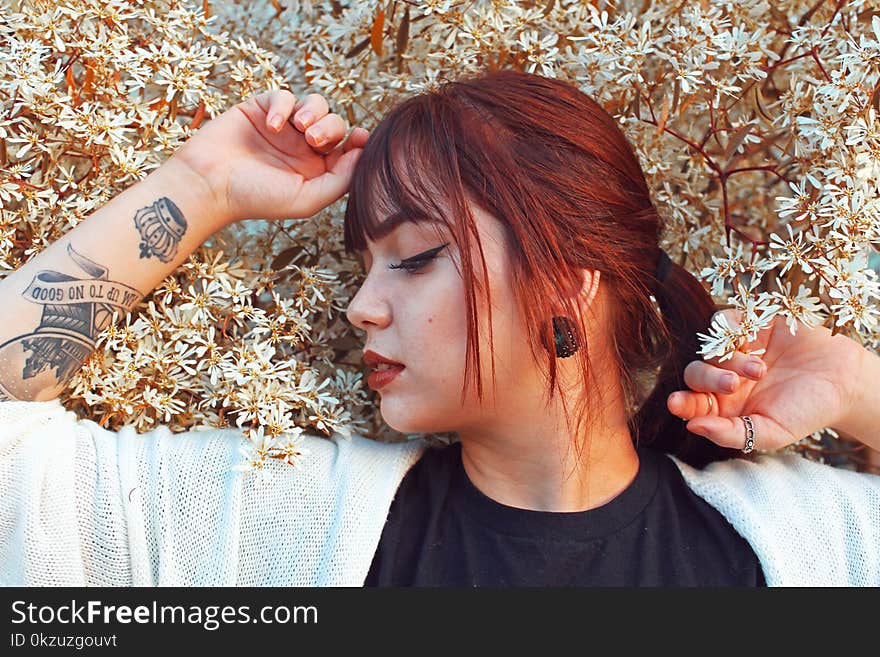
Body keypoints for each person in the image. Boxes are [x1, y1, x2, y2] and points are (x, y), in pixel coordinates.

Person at [0, 70, 878, 587]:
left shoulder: (802, 545)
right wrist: (200, 185)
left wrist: (856, 388)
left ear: (566, 285)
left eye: (414, 257)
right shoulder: (277, 521)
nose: (362, 306)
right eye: (361, 267)